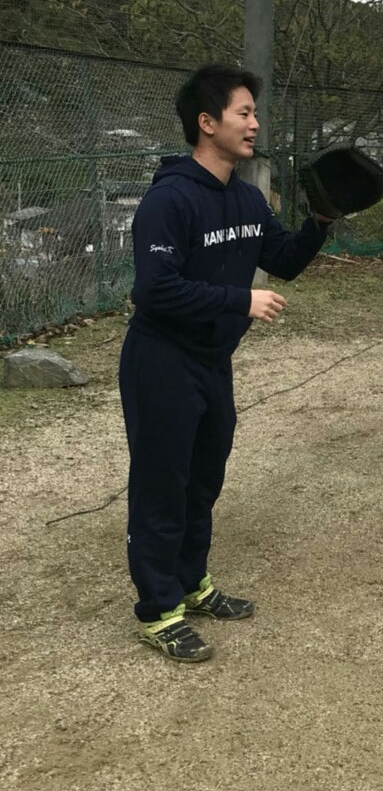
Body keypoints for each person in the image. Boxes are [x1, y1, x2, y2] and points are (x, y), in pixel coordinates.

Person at [119, 64, 333, 662]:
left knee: (203, 478)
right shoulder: (169, 199)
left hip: (213, 361)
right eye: (244, 112)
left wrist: (321, 221)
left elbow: (284, 259)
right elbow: (155, 290)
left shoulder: (245, 197)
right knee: (163, 484)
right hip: (160, 360)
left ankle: (191, 582)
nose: (254, 123)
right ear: (206, 123)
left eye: (254, 113)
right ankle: (159, 609)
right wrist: (241, 298)